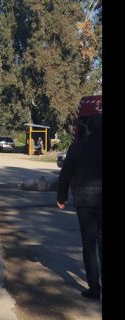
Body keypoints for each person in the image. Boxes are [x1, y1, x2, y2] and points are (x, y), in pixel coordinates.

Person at [57, 114, 102, 300]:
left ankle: (94, 288)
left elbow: (65, 173)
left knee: (89, 245)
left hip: (85, 202)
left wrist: (62, 196)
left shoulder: (77, 147)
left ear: (87, 128)